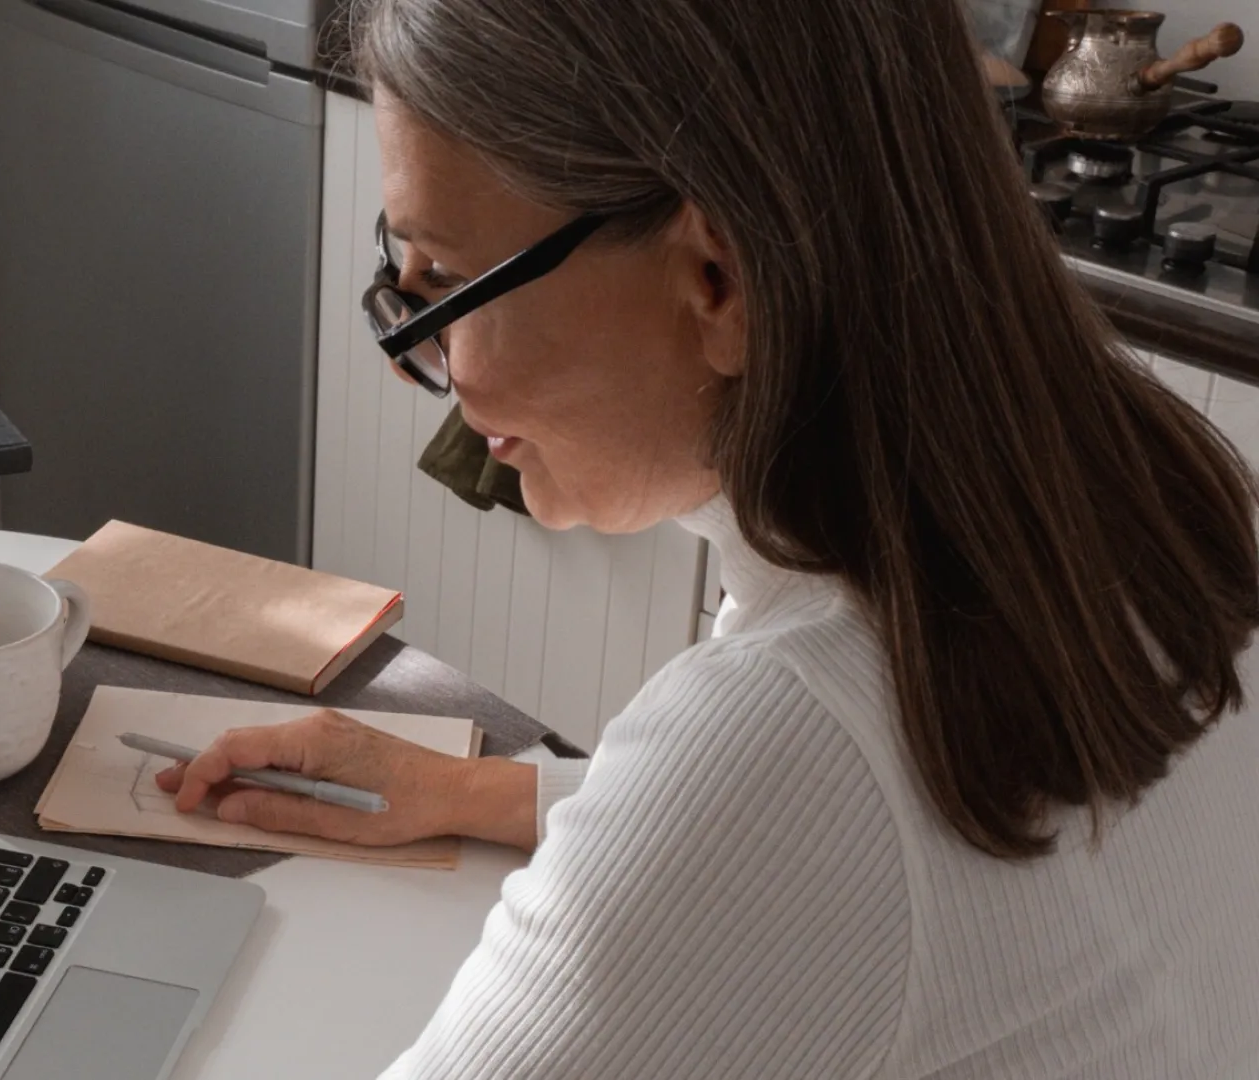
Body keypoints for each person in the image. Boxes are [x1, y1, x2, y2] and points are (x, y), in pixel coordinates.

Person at [156, 0, 1259, 1075]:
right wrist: (483, 794)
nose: (426, 365)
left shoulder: (789, 743)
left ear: (717, 280)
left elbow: (807, 825)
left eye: (444, 280)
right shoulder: (1143, 487)